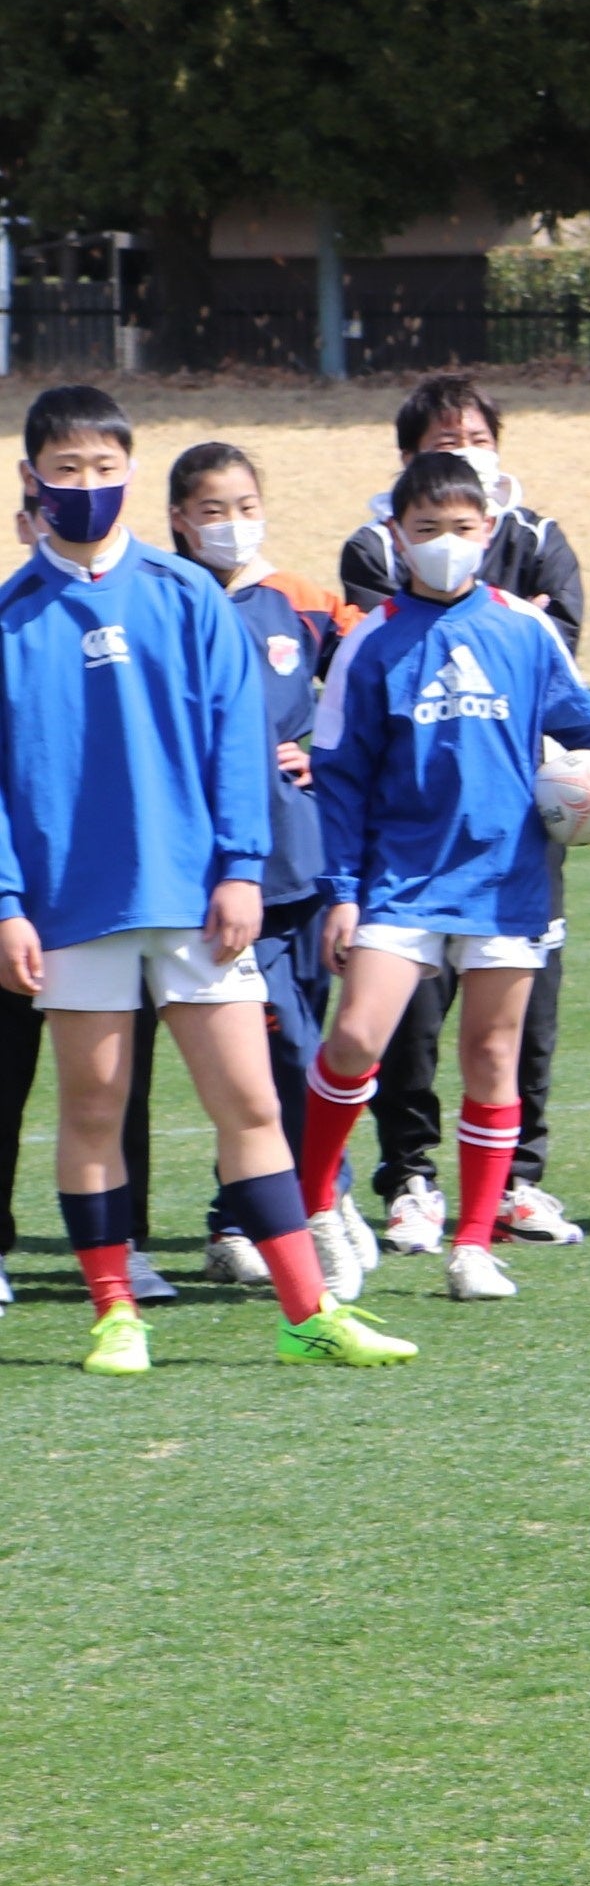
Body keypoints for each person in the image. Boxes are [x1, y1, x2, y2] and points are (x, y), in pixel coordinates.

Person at [2, 384, 411, 1374]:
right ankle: (114, 1312)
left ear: (132, 475)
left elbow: (240, 745)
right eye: (67, 469)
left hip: (196, 898)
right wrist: (7, 901)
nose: (87, 486)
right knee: (93, 1111)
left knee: (252, 1106)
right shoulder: (9, 619)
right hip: (69, 907)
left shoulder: (184, 597)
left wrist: (240, 869)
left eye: (105, 468)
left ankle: (307, 1310)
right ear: (30, 480)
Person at [299, 453, 590, 1303]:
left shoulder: (523, 631)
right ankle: (318, 1205)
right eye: (425, 531)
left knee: (492, 1058)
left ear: (489, 532)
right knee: (355, 1039)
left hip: (506, 880)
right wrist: (341, 891)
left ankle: (472, 1244)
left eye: (462, 530)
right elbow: (339, 777)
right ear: (396, 537)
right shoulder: (370, 639)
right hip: (400, 877)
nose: (445, 545)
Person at [336, 373, 590, 1253]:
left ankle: (509, 1193)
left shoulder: (537, 555)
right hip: (406, 845)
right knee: (387, 1025)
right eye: (443, 443)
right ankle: (406, 1180)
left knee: (513, 1030)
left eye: (476, 439)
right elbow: (379, 666)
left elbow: (571, 683)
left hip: (514, 833)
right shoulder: (372, 567)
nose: (463, 455)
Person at [153, 442, 374, 1291]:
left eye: (246, 506)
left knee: (300, 1049)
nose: (232, 525)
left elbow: (377, 668)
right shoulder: (161, 602)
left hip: (299, 859)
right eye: (213, 510)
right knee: (277, 1048)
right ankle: (319, 1201)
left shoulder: (306, 602)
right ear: (178, 517)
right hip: (203, 874)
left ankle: (241, 1219)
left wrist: (328, 750)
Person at [0, 486, 157, 1310]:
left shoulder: (141, 604)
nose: (58, 512)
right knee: (5, 1072)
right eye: (40, 501)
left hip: (93, 895)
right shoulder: (11, 617)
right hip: (20, 894)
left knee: (113, 1077)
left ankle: (125, 1243)